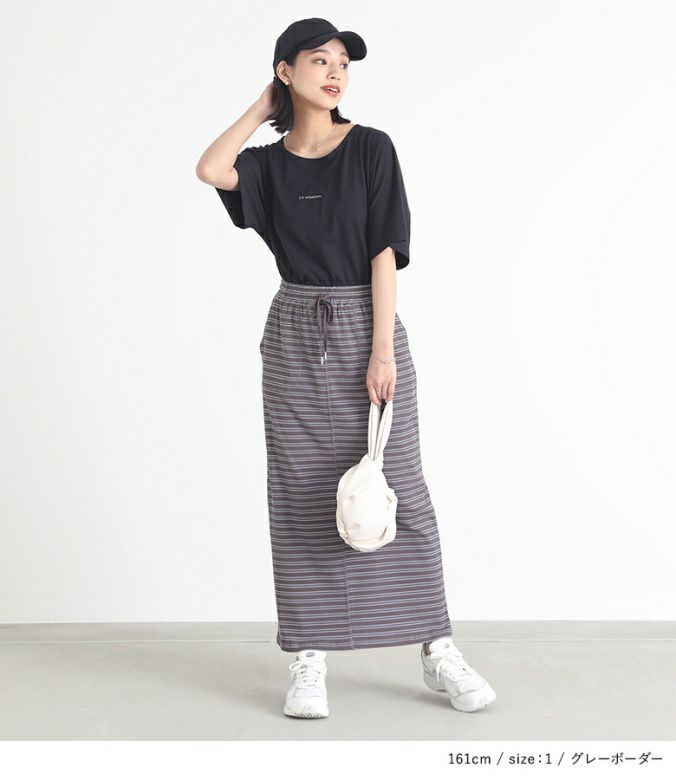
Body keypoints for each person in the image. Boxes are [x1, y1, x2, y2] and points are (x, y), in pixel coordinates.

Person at [196, 17, 496, 718]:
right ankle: (310, 656)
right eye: (319, 60)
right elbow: (211, 169)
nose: (336, 73)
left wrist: (381, 348)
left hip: (367, 321)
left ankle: (436, 647)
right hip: (295, 330)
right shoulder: (266, 167)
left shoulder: (370, 148)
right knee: (300, 492)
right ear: (286, 71)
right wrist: (262, 108)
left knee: (400, 488)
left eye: (343, 63)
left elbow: (383, 251)